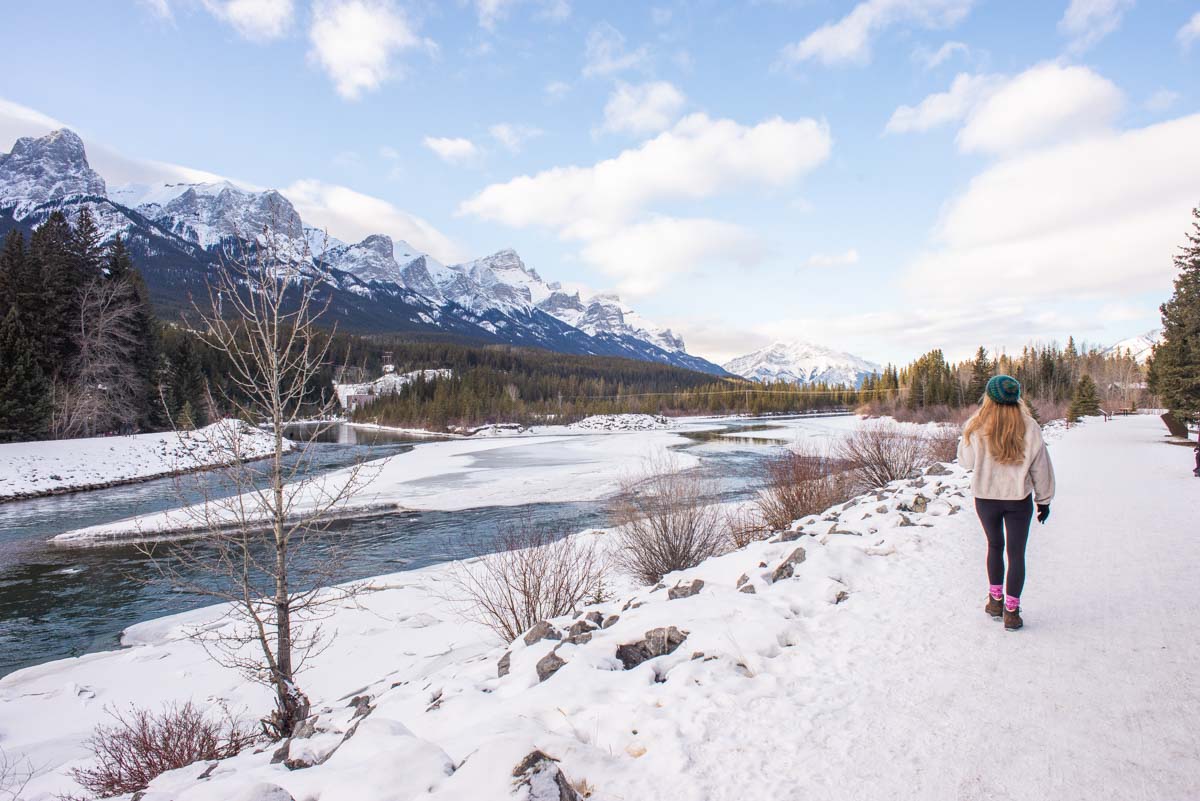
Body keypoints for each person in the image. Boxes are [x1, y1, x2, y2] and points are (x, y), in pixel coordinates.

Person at [956, 375, 1056, 631]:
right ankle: (1012, 611)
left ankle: (995, 601)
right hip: (1018, 500)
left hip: (986, 499)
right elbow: (1041, 467)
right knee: (1016, 553)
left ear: (989, 397)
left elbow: (966, 462)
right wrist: (1044, 500)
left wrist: (969, 437)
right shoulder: (1030, 426)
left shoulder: (976, 425)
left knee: (994, 546)